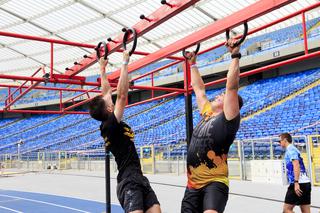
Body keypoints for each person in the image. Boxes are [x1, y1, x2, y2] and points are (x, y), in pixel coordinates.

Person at [88, 51, 161, 213]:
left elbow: (106, 92)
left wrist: (102, 69)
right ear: (108, 108)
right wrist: (125, 63)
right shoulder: (109, 125)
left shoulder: (110, 121)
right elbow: (121, 96)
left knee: (156, 210)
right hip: (128, 180)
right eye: (108, 100)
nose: (109, 96)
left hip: (139, 176)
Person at [181, 38, 244, 213]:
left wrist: (235, 55)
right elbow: (199, 89)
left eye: (223, 95)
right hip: (192, 185)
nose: (219, 95)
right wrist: (192, 64)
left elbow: (231, 86)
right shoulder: (208, 113)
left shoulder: (228, 119)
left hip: (215, 182)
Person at [279, 133, 311, 213]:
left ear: (285, 140)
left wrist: (296, 182)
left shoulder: (290, 149)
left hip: (298, 184)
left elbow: (296, 164)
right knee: (306, 211)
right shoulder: (294, 149)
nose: (279, 143)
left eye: (280, 141)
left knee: (286, 210)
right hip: (306, 183)